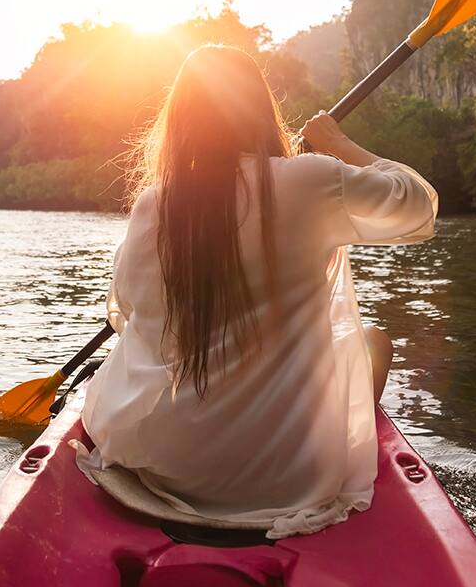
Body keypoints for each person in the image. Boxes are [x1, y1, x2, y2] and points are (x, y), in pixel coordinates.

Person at [78, 44, 438, 539]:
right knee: (374, 341)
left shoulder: (155, 204)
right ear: (259, 109)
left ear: (182, 120)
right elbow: (418, 207)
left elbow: (127, 316)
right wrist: (338, 144)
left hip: (168, 461)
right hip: (287, 480)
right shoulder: (312, 179)